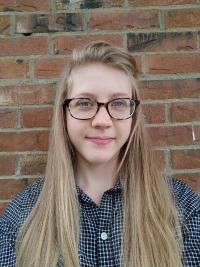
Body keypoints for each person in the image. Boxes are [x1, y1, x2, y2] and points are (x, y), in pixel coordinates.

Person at [0, 41, 199, 267]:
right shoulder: (22, 216)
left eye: (119, 103)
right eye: (84, 103)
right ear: (63, 114)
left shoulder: (184, 209)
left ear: (133, 115)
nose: (102, 121)